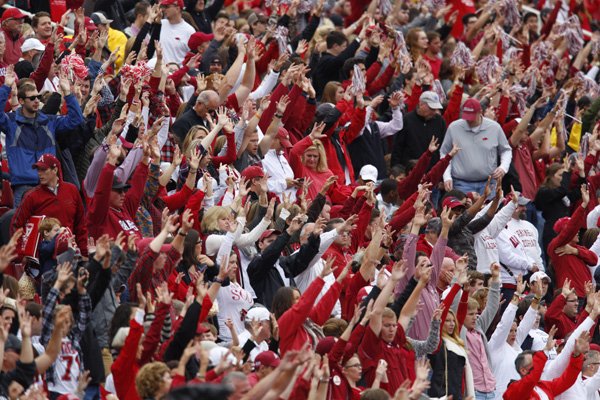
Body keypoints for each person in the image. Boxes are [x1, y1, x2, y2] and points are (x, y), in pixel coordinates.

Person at [0, 67, 84, 206]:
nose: (36, 101)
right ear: (21, 101)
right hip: (24, 187)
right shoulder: (11, 122)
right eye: (32, 98)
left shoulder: (50, 121)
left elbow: (76, 120)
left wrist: (68, 93)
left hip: (49, 186)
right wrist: (6, 87)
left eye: (38, 97)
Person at [11, 154, 88, 258]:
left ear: (55, 170)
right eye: (38, 170)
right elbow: (16, 224)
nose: (39, 174)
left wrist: (84, 252)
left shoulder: (72, 190)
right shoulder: (31, 196)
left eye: (43, 170)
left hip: (70, 253)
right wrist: (21, 254)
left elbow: (80, 225)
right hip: (44, 256)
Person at [440, 98, 512, 195]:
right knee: (465, 210)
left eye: (472, 116)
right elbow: (444, 153)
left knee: (489, 210)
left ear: (480, 112)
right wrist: (447, 176)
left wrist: (503, 167)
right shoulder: (454, 127)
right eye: (466, 116)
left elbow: (506, 150)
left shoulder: (494, 128)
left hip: (488, 182)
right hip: (461, 183)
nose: (469, 120)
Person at [159, 0, 196, 65]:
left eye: (167, 6)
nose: (163, 9)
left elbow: (193, 56)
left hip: (177, 72)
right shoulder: (160, 24)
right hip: (157, 71)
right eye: (163, 6)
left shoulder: (190, 31)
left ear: (177, 9)